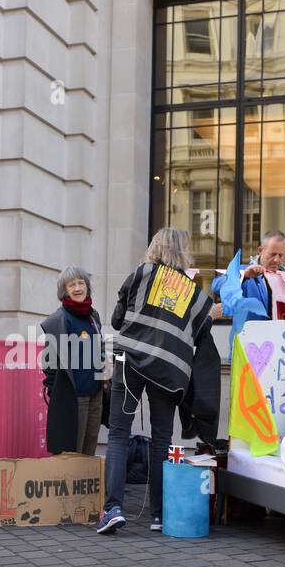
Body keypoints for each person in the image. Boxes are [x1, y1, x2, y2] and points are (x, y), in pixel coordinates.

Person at [97, 227, 213, 534]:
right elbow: (202, 331)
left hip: (130, 362)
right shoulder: (195, 293)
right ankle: (160, 515)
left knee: (119, 435)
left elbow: (117, 320)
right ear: (183, 252)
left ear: (155, 248)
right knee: (161, 440)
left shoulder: (141, 274)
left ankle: (113, 509)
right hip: (168, 372)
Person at [40, 267, 107, 456]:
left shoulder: (93, 316)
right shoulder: (59, 320)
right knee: (72, 453)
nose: (78, 288)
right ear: (64, 290)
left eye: (81, 283)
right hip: (74, 396)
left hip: (96, 393)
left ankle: (86, 484)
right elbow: (49, 361)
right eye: (72, 285)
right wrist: (57, 393)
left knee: (89, 450)